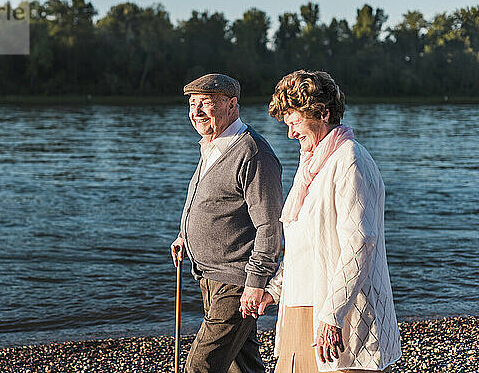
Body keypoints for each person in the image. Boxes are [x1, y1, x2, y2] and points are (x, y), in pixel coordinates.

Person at [249, 70, 401, 373]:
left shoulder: (350, 160)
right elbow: (302, 245)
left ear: (322, 114)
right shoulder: (311, 165)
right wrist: (275, 290)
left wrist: (332, 316)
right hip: (300, 308)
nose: (291, 133)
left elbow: (360, 245)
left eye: (294, 123)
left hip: (338, 313)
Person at [170, 73, 283, 373]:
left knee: (200, 366)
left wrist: (256, 283)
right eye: (192, 104)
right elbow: (207, 202)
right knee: (242, 366)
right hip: (209, 276)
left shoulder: (253, 153)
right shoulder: (211, 145)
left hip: (236, 281)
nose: (195, 112)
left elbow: (270, 226)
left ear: (232, 104)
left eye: (206, 103)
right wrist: (185, 237)